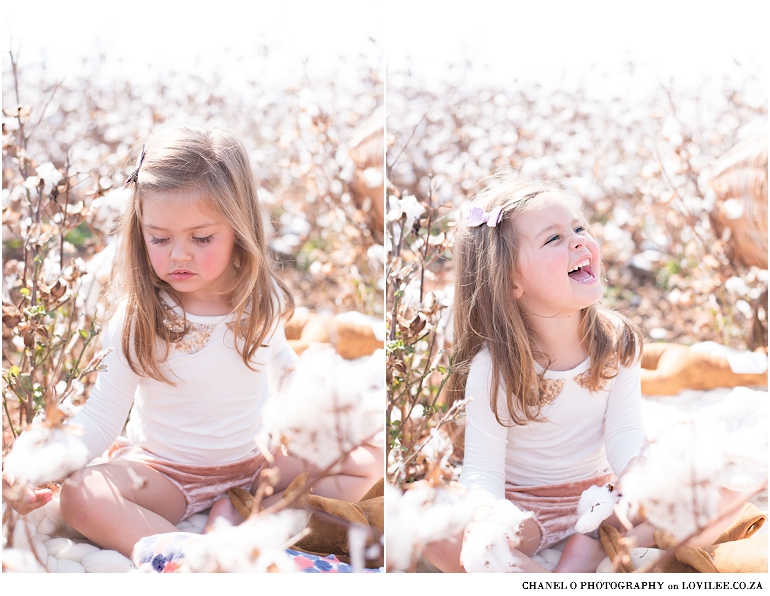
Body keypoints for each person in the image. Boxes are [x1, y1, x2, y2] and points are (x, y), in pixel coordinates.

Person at [4, 123, 382, 557]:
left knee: (371, 447)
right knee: (82, 496)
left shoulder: (262, 301)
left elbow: (280, 368)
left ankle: (236, 509)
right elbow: (101, 416)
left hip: (257, 463)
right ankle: (190, 553)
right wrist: (40, 466)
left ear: (239, 228)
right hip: (166, 474)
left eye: (202, 238)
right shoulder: (138, 319)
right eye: (160, 238)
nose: (178, 254)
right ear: (140, 229)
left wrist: (321, 412)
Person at [424, 173, 652, 573]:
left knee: (690, 496)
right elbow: (483, 469)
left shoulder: (617, 341)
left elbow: (623, 431)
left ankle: (587, 544)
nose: (579, 240)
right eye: (554, 239)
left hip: (598, 495)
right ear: (512, 281)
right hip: (523, 508)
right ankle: (564, 570)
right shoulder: (494, 367)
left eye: (579, 228)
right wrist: (484, 519)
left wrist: (634, 466)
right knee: (440, 539)